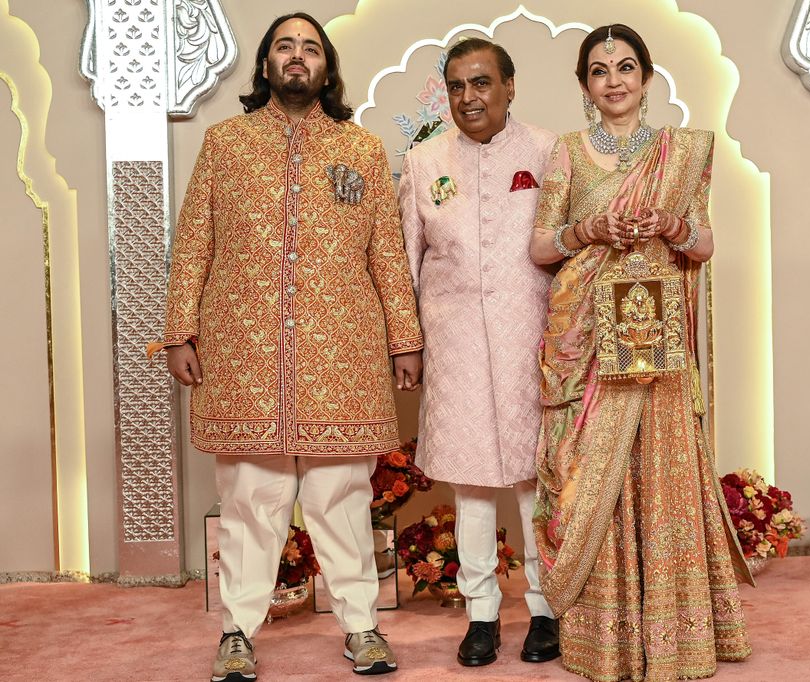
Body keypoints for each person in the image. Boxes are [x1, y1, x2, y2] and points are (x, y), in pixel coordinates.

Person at [149, 13, 422, 680]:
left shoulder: (358, 150)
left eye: (310, 48)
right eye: (284, 47)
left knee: (340, 499)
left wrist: (405, 339)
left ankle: (361, 627)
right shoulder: (225, 144)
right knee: (251, 501)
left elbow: (386, 252)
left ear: (326, 68)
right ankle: (238, 632)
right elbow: (193, 244)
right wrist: (179, 330)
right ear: (266, 65)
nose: (297, 57)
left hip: (342, 352)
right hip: (245, 352)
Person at [529, 24, 753, 681]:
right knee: (591, 477)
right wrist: (589, 228)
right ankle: (605, 636)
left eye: (627, 67)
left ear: (647, 78)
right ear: (583, 86)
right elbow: (542, 248)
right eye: (600, 71)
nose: (615, 80)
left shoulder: (679, 151)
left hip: (658, 341)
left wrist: (674, 226)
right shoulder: (567, 153)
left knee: (661, 473)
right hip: (591, 345)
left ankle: (675, 634)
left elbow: (704, 244)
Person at [397, 37, 560, 667]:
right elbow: (405, 261)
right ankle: (482, 616)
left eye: (483, 83)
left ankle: (546, 610)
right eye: (458, 86)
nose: (469, 97)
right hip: (456, 342)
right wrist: (406, 344)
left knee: (535, 481)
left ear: (510, 86)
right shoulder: (423, 160)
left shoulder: (548, 151)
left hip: (535, 341)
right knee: (470, 486)